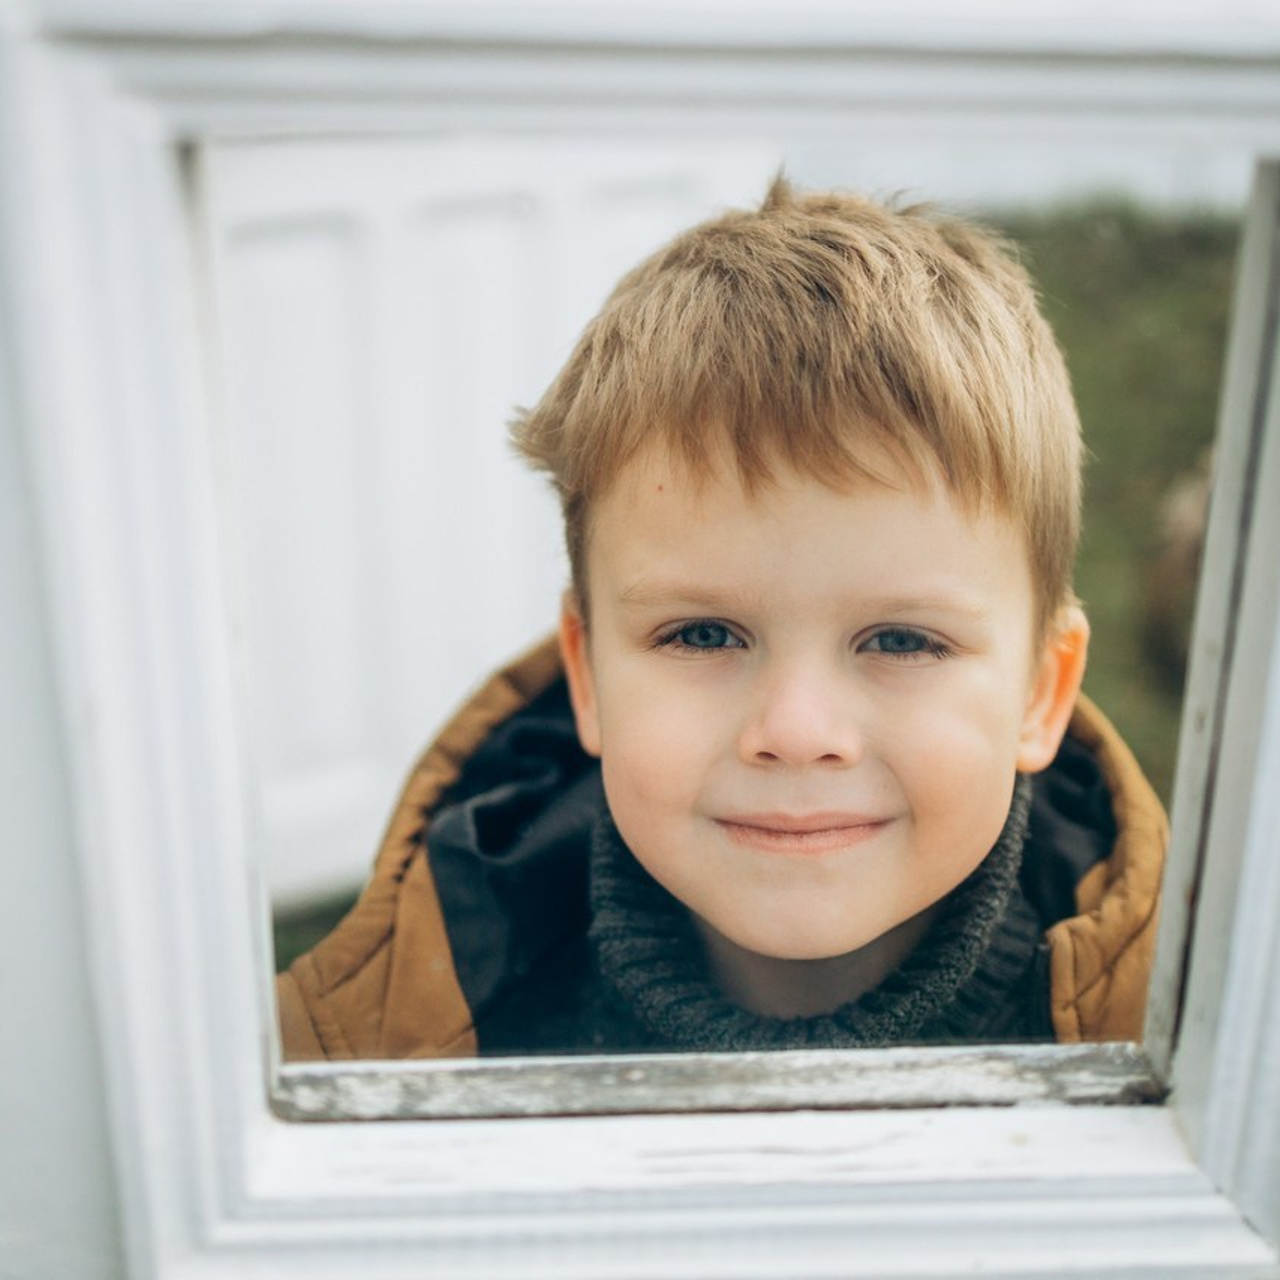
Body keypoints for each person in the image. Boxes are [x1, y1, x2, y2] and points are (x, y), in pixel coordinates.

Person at [276, 179, 1167, 1060]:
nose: (796, 731)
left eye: (902, 639)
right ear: (587, 678)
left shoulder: (1191, 1040)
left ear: (1040, 693)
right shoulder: (393, 1042)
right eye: (703, 633)